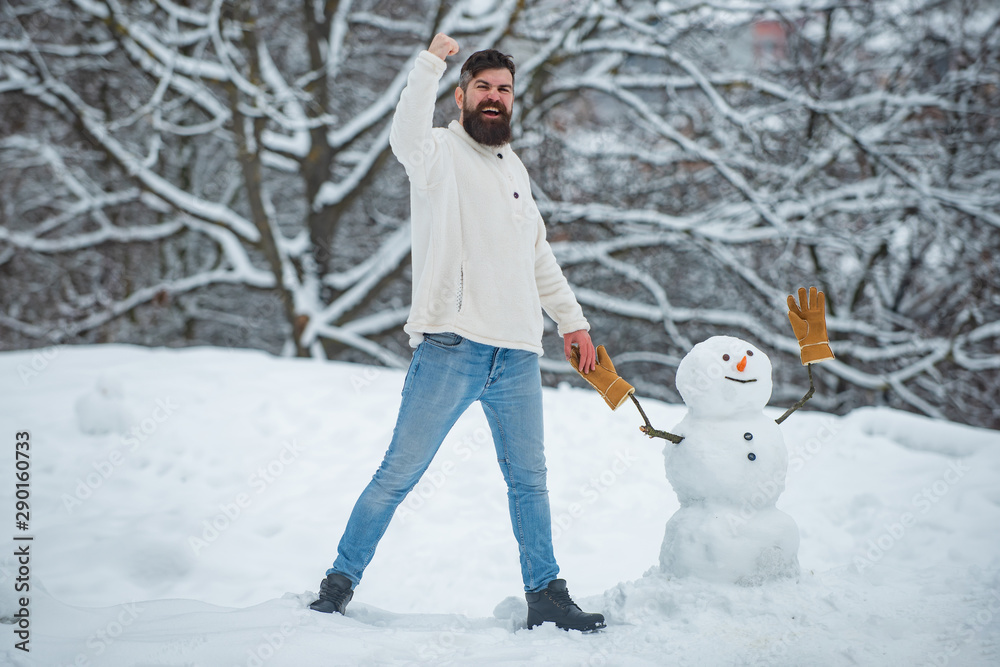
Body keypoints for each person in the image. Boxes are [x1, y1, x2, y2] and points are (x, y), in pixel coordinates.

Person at [309, 33, 605, 632]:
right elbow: (403, 136)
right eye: (483, 88)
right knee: (398, 473)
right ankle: (338, 584)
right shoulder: (437, 152)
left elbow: (538, 254)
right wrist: (428, 64)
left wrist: (572, 323)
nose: (494, 98)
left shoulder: (514, 166)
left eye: (504, 90)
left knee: (530, 482)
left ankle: (546, 593)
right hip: (453, 346)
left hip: (519, 353)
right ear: (462, 96)